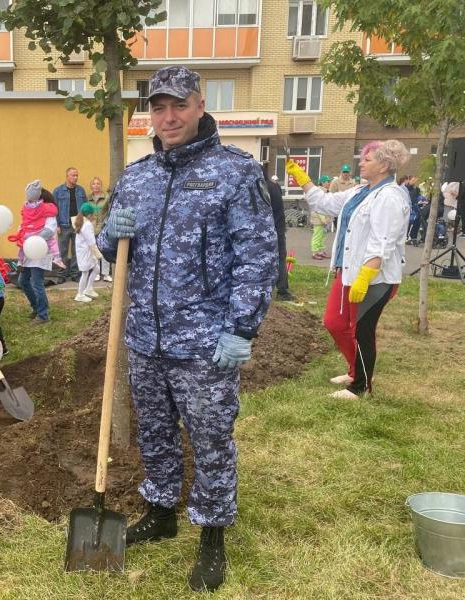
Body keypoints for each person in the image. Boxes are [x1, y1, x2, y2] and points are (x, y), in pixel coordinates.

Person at [96, 66, 277, 593]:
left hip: (204, 343)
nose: (168, 117)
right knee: (155, 434)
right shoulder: (138, 176)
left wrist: (241, 327)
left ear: (200, 106)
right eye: (158, 107)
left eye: (179, 105)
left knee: (211, 439)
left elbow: (257, 256)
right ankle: (161, 511)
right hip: (145, 340)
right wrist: (110, 232)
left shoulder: (234, 172)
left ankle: (212, 536)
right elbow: (112, 253)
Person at [286, 140, 410, 400]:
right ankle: (356, 370)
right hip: (348, 271)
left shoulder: (390, 197)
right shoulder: (360, 191)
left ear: (384, 165)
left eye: (367, 159)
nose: (360, 163)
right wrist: (301, 177)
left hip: (373, 277)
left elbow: (382, 241)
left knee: (362, 329)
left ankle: (361, 386)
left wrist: (365, 276)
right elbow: (324, 203)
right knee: (334, 322)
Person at [16, 188, 58, 325]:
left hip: (40, 252)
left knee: (37, 282)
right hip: (28, 252)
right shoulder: (30, 212)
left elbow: (49, 231)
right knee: (23, 281)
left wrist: (32, 238)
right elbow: (25, 226)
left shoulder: (48, 213)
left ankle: (43, 314)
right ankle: (37, 307)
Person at [8, 180, 64, 269]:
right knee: (52, 242)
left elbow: (49, 230)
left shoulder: (26, 208)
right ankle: (57, 258)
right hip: (32, 248)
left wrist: (26, 235)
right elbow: (54, 210)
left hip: (39, 253)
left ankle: (20, 260)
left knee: (36, 278)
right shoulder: (45, 209)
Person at [53, 167, 88, 278]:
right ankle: (61, 275)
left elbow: (85, 208)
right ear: (67, 176)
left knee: (76, 250)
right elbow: (54, 209)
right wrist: (56, 224)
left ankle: (75, 274)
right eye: (73, 175)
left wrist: (84, 222)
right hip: (63, 225)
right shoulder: (58, 191)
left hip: (77, 225)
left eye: (77, 175)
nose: (75, 177)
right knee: (62, 251)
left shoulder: (81, 190)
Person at [266, 171, 294, 301]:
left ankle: (267, 288)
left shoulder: (257, 187)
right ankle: (282, 290)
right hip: (278, 228)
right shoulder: (274, 186)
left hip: (264, 230)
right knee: (280, 259)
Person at [73, 202, 101, 302]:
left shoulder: (80, 221)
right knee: (85, 273)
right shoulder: (87, 224)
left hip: (84, 251)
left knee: (96, 268)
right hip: (86, 252)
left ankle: (89, 289)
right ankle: (80, 294)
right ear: (89, 214)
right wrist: (98, 254)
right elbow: (91, 242)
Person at [88, 176, 112, 282]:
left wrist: (106, 223)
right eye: (94, 184)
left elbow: (109, 211)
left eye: (98, 183)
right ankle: (96, 272)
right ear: (91, 186)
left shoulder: (106, 197)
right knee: (95, 251)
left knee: (104, 250)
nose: (96, 185)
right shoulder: (88, 199)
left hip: (103, 227)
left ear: (101, 185)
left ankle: (106, 273)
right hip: (92, 228)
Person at [310, 176, 332, 260]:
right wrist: (323, 219)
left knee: (323, 236)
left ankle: (320, 251)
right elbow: (318, 207)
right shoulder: (320, 192)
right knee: (317, 235)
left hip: (324, 218)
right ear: (322, 183)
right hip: (319, 219)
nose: (329, 183)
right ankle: (314, 252)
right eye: (327, 181)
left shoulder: (325, 191)